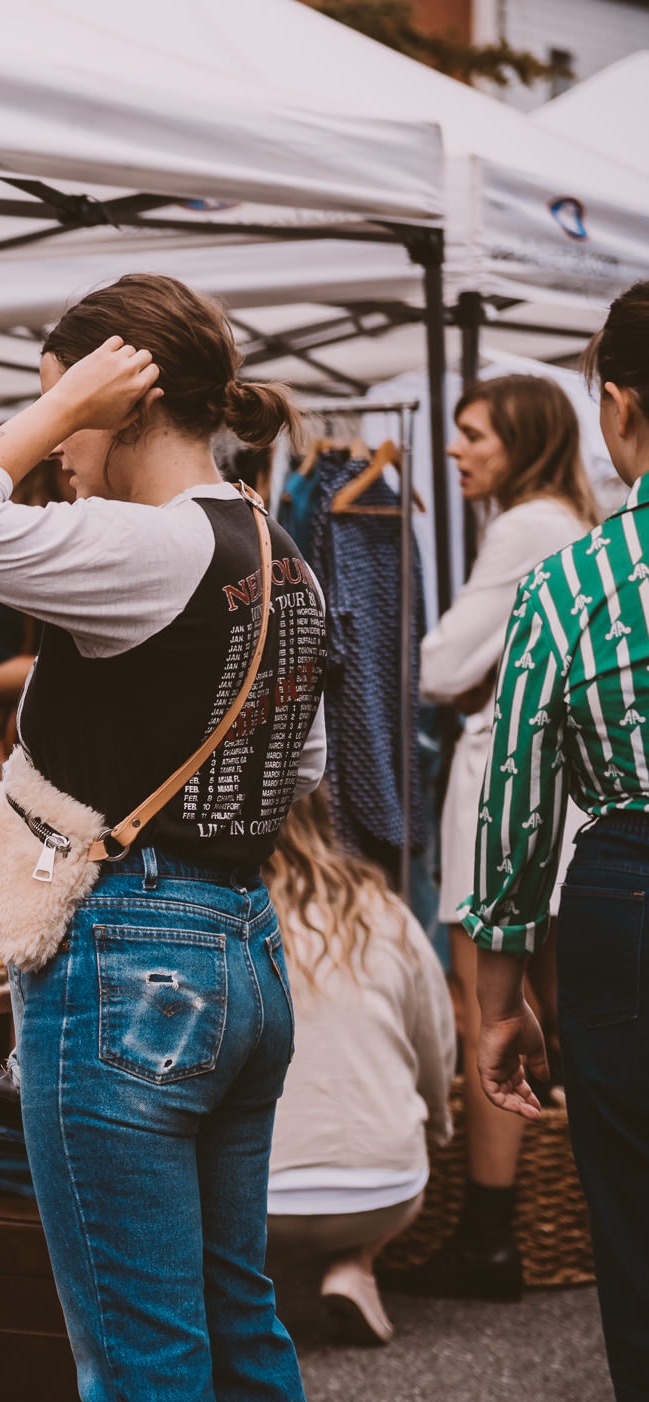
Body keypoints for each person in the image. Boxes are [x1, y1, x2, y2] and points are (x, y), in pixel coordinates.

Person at [0, 273, 328, 1402]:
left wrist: (62, 398)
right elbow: (306, 768)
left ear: (122, 400)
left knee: (139, 1357)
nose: (55, 455)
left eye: (67, 415)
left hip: (130, 958)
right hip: (244, 951)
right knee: (237, 1324)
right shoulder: (286, 558)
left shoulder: (148, 546)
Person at [467, 279, 649, 1401]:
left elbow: (517, 804)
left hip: (628, 904)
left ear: (620, 406)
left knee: (632, 1226)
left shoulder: (570, 579)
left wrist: (499, 1002)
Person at [390, 373, 599, 1303]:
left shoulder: (525, 527)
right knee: (566, 1014)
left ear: (523, 438)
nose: (455, 448)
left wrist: (473, 677)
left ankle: (489, 1234)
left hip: (504, 789)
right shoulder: (572, 519)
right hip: (567, 795)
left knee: (492, 1014)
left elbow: (437, 666)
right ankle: (573, 1218)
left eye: (474, 434)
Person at [262, 790, 454, 1345]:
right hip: (387, 1190)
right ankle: (355, 1268)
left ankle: (237, 1296)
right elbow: (435, 1040)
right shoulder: (382, 909)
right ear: (326, 819)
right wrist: (436, 1125)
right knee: (387, 1128)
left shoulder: (227, 918)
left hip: (259, 1205)